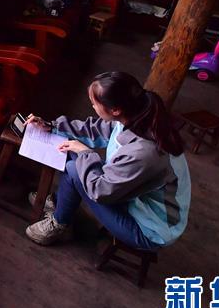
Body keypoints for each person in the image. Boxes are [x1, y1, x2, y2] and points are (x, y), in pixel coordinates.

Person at [23, 71, 191, 250]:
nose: (92, 106)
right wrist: (52, 126)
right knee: (71, 150)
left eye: (94, 103)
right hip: (133, 195)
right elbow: (95, 130)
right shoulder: (137, 115)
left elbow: (100, 192)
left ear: (115, 110)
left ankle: (60, 223)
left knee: (74, 168)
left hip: (149, 230)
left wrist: (85, 152)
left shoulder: (144, 152)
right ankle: (61, 205)